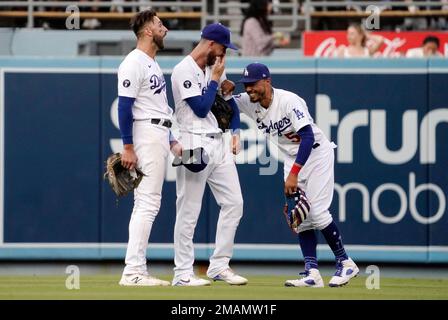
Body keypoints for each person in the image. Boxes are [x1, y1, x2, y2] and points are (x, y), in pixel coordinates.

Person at [233, 62, 359, 288]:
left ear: (267, 81)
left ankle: (345, 261)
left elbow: (308, 137)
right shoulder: (248, 101)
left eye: (253, 84)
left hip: (317, 154)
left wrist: (294, 174)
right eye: (246, 85)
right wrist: (223, 85)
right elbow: (224, 103)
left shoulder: (289, 101)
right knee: (299, 219)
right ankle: (312, 273)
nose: (249, 89)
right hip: (292, 159)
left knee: (318, 212)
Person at [170, 23, 247, 286]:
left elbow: (230, 107)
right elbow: (201, 109)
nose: (224, 56)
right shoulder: (184, 69)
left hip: (217, 143)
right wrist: (214, 80)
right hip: (192, 142)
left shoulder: (209, 70)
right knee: (189, 211)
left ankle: (219, 265)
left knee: (234, 203)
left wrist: (235, 131)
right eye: (223, 49)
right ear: (211, 44)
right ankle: (182, 273)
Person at [116, 9, 182, 286]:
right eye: (159, 24)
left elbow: (157, 107)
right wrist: (128, 147)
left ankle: (135, 269)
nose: (164, 28)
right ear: (146, 31)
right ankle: (133, 271)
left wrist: (171, 139)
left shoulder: (151, 62)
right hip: (144, 133)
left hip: (158, 132)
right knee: (147, 203)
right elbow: (124, 106)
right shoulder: (133, 62)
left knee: (147, 203)